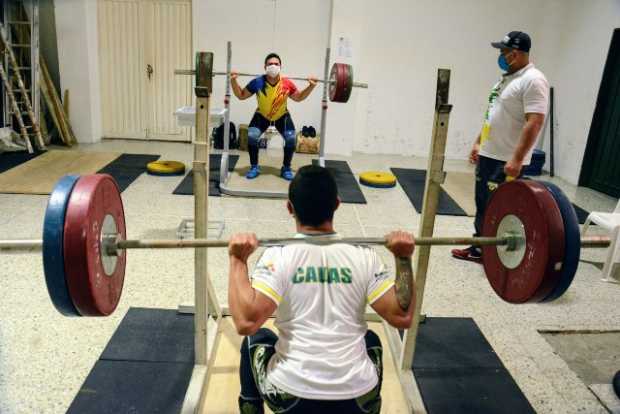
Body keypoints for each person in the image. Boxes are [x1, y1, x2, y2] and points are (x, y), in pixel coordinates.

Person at [227, 165, 416, 413]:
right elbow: (402, 316)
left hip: (290, 397)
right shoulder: (364, 256)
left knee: (256, 338)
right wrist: (403, 258)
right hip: (357, 398)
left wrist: (237, 260)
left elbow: (245, 323)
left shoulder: (278, 255)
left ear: (289, 208)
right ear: (337, 204)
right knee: (370, 341)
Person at [452, 31, 549, 263]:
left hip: (505, 160)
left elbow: (534, 121)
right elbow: (492, 115)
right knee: (483, 203)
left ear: (515, 54)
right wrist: (479, 142)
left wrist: (516, 159)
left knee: (500, 208)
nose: (501, 56)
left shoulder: (534, 80)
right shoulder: (506, 78)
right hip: (489, 154)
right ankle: (479, 247)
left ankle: (495, 254)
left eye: (503, 53)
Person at [231, 53, 318, 181]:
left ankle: (286, 168)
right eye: (270, 64)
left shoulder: (287, 83)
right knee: (251, 136)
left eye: (276, 64)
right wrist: (233, 80)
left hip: (282, 116)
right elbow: (241, 95)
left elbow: (299, 98)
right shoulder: (257, 82)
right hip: (262, 115)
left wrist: (311, 86)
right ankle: (254, 167)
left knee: (291, 138)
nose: (273, 66)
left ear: (280, 66)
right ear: (265, 66)